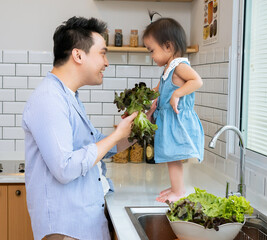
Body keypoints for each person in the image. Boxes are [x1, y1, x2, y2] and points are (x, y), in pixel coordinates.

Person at [22, 16, 137, 240]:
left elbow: (98, 147)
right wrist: (116, 135)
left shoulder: (69, 96)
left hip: (82, 224)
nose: (106, 62)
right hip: (66, 230)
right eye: (102, 53)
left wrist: (138, 127)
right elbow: (64, 168)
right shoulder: (49, 99)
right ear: (78, 55)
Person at [143, 18, 204, 203]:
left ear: (168, 46)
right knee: (172, 157)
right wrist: (147, 95)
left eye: (152, 50)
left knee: (174, 156)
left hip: (177, 120)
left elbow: (197, 81)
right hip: (169, 121)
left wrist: (177, 94)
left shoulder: (179, 66)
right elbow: (160, 89)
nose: (151, 56)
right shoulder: (169, 68)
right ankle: (176, 187)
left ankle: (178, 192)